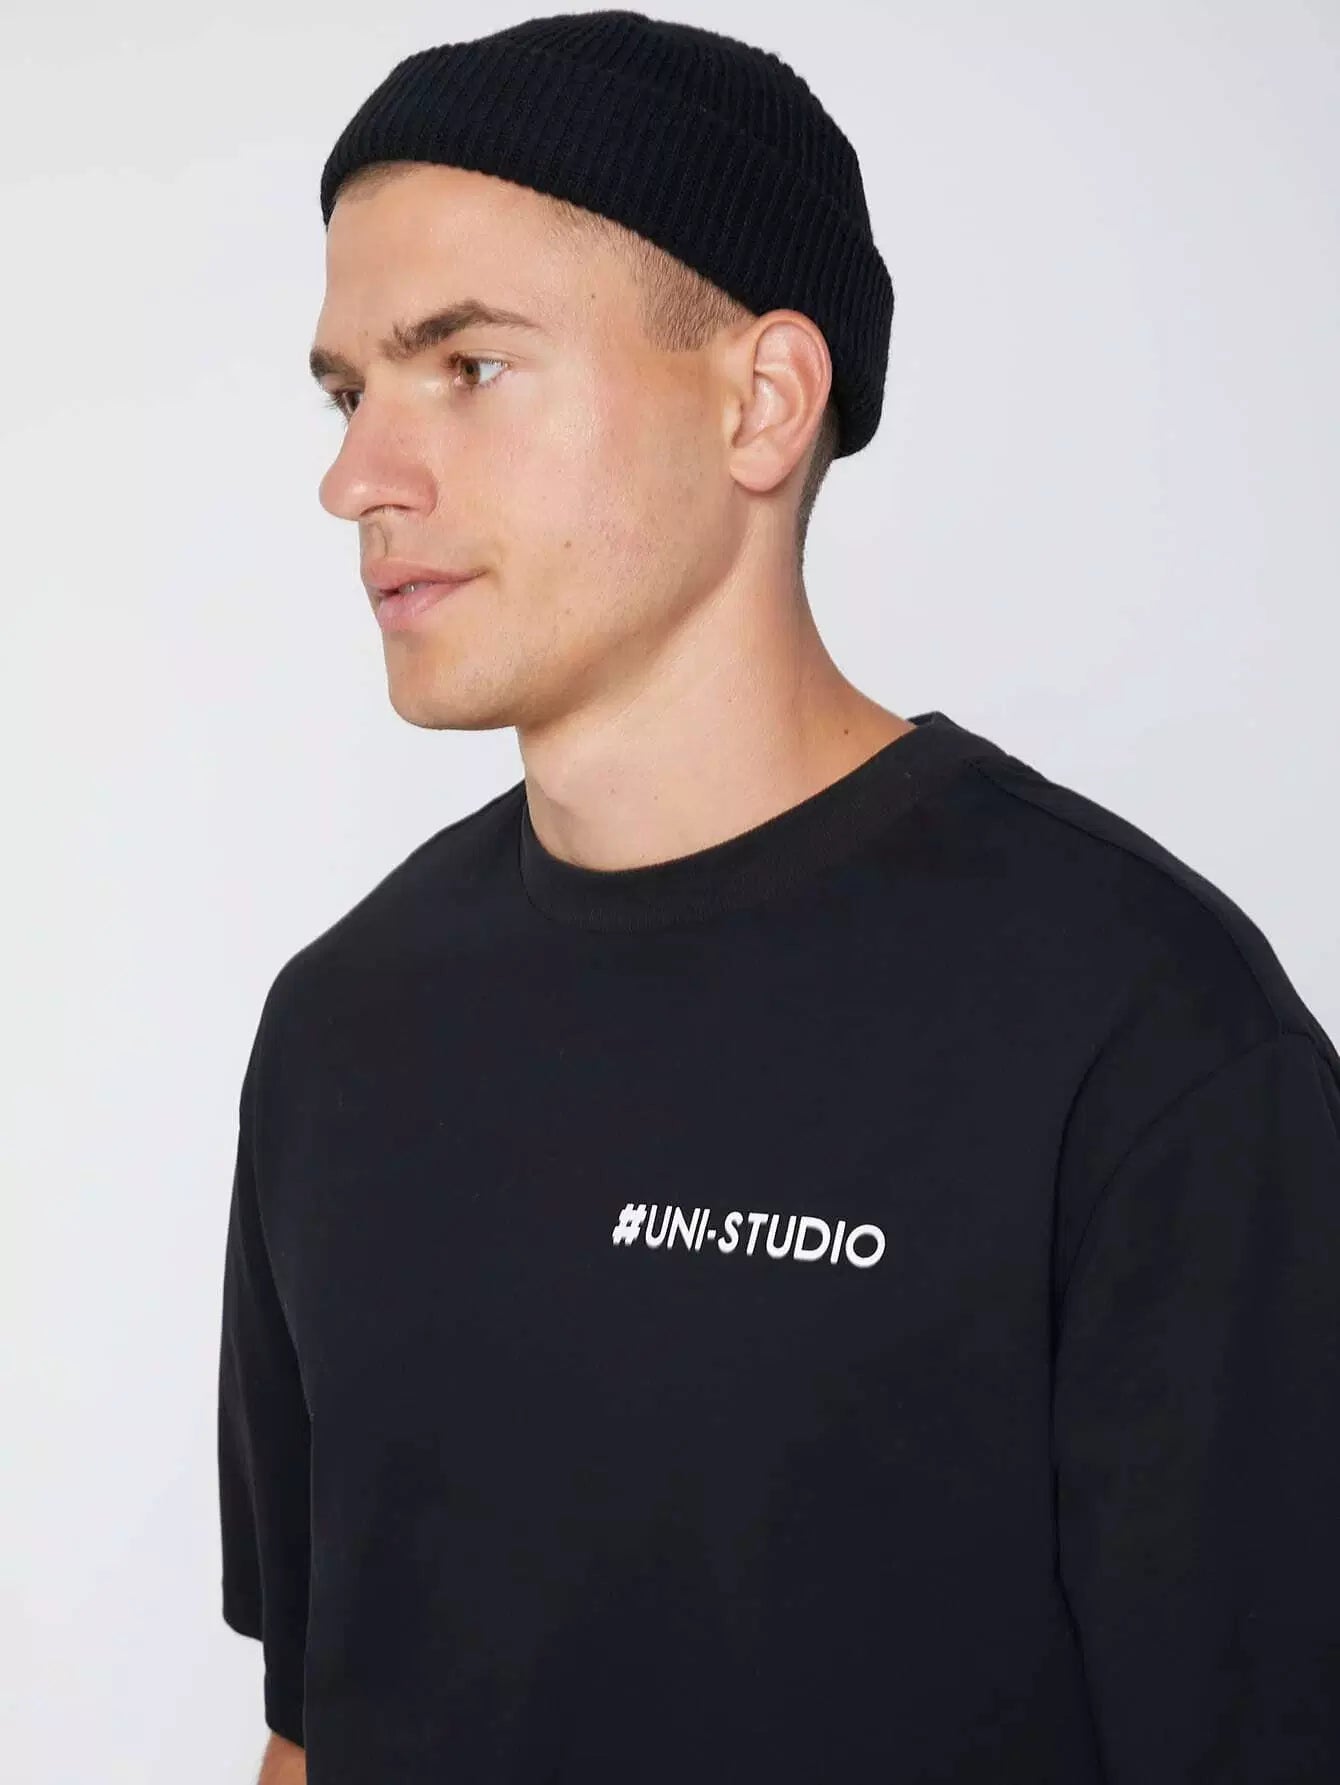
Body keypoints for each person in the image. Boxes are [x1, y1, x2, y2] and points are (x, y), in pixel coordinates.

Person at [216, 12, 1340, 1783]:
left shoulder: (1144, 1037)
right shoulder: (342, 1027)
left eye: (470, 366)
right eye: (353, 391)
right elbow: (317, 1727)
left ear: (761, 402)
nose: (358, 476)